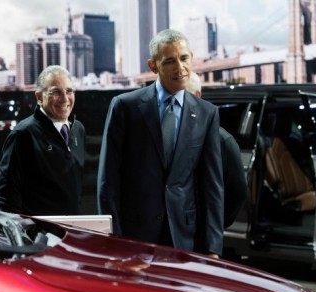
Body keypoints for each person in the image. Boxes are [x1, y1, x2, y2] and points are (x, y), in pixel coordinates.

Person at [97, 29, 224, 257]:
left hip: (185, 237)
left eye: (184, 58)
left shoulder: (207, 114)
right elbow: (108, 181)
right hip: (133, 236)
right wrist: (113, 238)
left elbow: (212, 186)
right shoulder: (125, 107)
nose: (180, 67)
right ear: (153, 65)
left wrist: (212, 247)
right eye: (169, 61)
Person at [0, 65, 86, 215]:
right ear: (39, 97)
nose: (65, 99)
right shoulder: (23, 134)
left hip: (72, 231)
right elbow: (6, 196)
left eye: (69, 91)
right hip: (39, 235)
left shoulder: (78, 129)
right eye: (56, 92)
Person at [187, 72, 248, 228]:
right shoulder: (161, 135)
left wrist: (213, 225)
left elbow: (238, 192)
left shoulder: (221, 140)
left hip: (200, 234)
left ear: (197, 96)